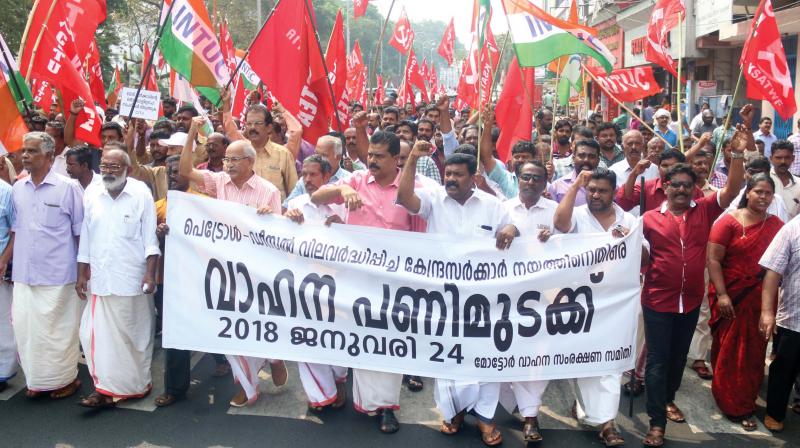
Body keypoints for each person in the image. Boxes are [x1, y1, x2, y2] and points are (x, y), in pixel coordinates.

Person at [396, 143, 517, 447]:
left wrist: (512, 229)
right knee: (448, 355)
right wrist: (412, 158)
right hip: (443, 297)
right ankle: (455, 412)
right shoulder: (434, 199)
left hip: (484, 300)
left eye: (457, 175)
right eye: (447, 173)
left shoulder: (491, 204)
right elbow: (403, 197)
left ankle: (486, 419)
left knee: (486, 357)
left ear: (473, 178)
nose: (450, 178)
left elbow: (513, 225)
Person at [311, 131, 424, 434]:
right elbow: (316, 196)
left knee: (389, 342)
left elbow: (425, 224)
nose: (371, 160)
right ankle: (365, 400)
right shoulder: (357, 179)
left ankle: (387, 406)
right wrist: (342, 191)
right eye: (370, 155)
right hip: (357, 280)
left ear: (395, 158)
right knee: (362, 339)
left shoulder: (412, 185)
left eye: (379, 156)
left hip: (396, 280)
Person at [640, 125, 746, 447]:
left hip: (690, 301)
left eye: (688, 186)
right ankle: (656, 422)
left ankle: (668, 398)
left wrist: (738, 153)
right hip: (657, 300)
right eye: (677, 185)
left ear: (695, 188)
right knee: (657, 360)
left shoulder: (705, 211)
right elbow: (628, 249)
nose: (683, 191)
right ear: (666, 187)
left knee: (677, 358)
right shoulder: (648, 219)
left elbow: (733, 188)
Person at [179, 117, 286, 408]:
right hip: (224, 270)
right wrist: (191, 132)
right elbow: (186, 171)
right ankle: (247, 387)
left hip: (257, 274)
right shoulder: (218, 182)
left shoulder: (268, 192)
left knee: (258, 325)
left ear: (250, 162)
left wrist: (269, 218)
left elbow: (279, 236)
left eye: (235, 160)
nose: (228, 165)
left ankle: (274, 356)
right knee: (231, 328)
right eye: (226, 160)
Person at [553, 168, 648, 447]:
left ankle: (608, 423)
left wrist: (626, 239)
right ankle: (584, 407)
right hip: (580, 302)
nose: (594, 194)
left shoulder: (629, 220)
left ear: (614, 192)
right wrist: (575, 188)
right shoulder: (578, 215)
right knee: (582, 360)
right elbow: (559, 223)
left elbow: (645, 256)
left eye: (601, 190)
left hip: (616, 303)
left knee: (609, 364)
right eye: (591, 189)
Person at [76, 148, 160, 408]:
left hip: (131, 278)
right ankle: (102, 388)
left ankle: (134, 386)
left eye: (114, 167)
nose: (108, 171)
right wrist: (81, 273)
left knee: (134, 338)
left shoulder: (140, 193)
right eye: (104, 166)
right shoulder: (92, 192)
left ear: (128, 170)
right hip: (101, 278)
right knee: (92, 336)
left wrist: (150, 273)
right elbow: (86, 236)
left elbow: (150, 238)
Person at [10, 132, 84, 400]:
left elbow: (80, 233)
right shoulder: (18, 187)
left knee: (58, 333)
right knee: (27, 331)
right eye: (24, 151)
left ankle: (66, 379)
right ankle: (39, 380)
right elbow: (15, 231)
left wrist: (82, 272)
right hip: (24, 274)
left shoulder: (68, 188)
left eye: (32, 151)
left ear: (50, 157)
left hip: (59, 275)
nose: (25, 156)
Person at [152, 155, 230, 407]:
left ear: (189, 173)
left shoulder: (206, 204)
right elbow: (145, 243)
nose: (173, 176)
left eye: (177, 171)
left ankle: (222, 358)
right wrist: (158, 233)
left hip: (201, 279)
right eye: (169, 172)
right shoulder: (158, 207)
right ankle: (176, 388)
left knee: (208, 322)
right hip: (168, 281)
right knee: (174, 334)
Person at [707, 173, 783, 431]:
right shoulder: (728, 222)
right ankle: (732, 403)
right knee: (730, 349)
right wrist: (723, 294)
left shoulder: (776, 225)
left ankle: (744, 399)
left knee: (753, 353)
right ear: (747, 192)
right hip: (732, 296)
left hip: (762, 300)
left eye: (768, 193)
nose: (763, 197)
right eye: (758, 191)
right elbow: (714, 260)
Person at [284, 155, 349, 412]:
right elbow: (274, 234)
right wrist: (284, 217)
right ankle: (320, 393)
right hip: (303, 286)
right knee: (307, 337)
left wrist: (345, 227)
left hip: (340, 287)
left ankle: (339, 380)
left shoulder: (343, 206)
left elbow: (362, 242)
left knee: (336, 337)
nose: (308, 180)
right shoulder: (296, 204)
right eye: (305, 175)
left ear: (327, 177)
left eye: (313, 175)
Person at [499, 160, 556, 443]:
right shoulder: (502, 209)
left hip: (542, 298)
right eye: (526, 177)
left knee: (535, 356)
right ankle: (512, 405)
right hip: (504, 296)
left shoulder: (556, 212)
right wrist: (510, 230)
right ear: (517, 179)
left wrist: (554, 239)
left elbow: (574, 248)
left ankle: (531, 416)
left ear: (545, 183)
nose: (530, 182)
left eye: (536, 178)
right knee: (503, 352)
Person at [759, 207, 800, 432]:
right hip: (793, 319)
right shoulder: (792, 229)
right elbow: (772, 272)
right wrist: (767, 312)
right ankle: (775, 412)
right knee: (784, 368)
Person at [224, 103, 298, 200]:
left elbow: (294, 191)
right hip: (244, 212)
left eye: (258, 123)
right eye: (249, 124)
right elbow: (230, 129)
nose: (252, 128)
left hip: (275, 213)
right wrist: (226, 106)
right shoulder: (240, 152)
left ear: (269, 127)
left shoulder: (283, 154)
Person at [283, 135, 352, 207]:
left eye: (323, 155)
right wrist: (291, 213)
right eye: (316, 153)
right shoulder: (305, 180)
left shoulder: (350, 180)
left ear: (338, 157)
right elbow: (286, 207)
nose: (318, 158)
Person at [548, 139, 601, 205]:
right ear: (573, 158)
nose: (586, 160)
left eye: (591, 157)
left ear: (598, 160)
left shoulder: (607, 186)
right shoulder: (557, 186)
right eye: (581, 156)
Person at [769, 140, 800, 218]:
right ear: (771, 158)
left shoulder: (798, 183)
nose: (783, 161)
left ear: (793, 158)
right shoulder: (762, 180)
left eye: (787, 157)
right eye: (778, 158)